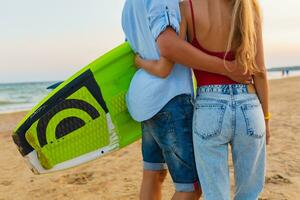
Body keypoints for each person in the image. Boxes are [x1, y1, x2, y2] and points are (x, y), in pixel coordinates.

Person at [136, 0, 271, 199]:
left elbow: (170, 60)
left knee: (215, 195)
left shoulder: (187, 7)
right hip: (250, 107)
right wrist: (266, 118)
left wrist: (140, 61)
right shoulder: (249, 6)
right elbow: (260, 72)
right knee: (249, 194)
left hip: (210, 107)